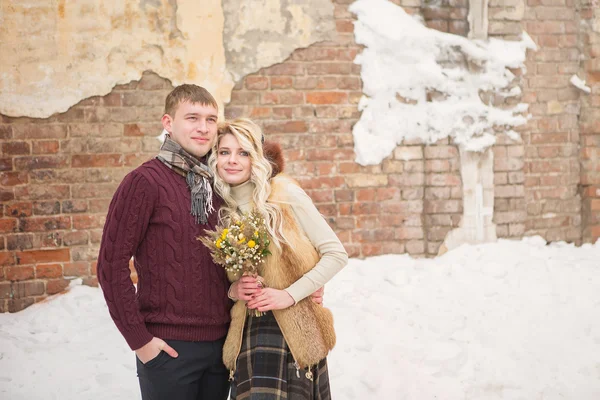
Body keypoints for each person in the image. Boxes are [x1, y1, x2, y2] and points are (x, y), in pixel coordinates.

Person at [96, 84, 232, 400]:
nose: (203, 128)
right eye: (192, 117)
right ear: (168, 123)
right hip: (169, 349)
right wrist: (140, 342)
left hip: (222, 348)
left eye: (211, 120)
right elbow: (111, 266)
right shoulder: (144, 182)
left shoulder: (221, 183)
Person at [208, 118, 348, 399]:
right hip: (247, 334)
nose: (232, 160)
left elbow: (336, 254)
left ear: (256, 159)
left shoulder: (284, 193)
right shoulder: (217, 206)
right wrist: (234, 290)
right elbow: (214, 277)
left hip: (293, 331)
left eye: (243, 153)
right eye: (224, 152)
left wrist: (290, 294)